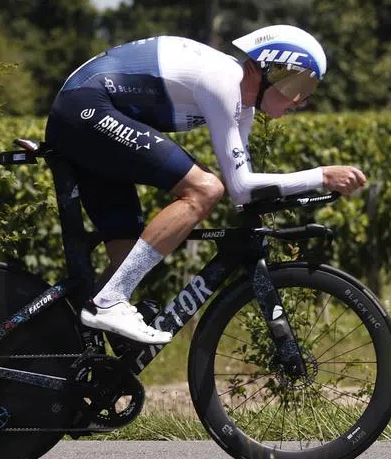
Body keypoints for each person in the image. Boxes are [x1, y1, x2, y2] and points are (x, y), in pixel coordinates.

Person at [43, 24, 368, 344]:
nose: (300, 101)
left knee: (125, 259)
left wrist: (302, 192)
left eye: (309, 90)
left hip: (88, 116)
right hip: (85, 106)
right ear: (268, 71)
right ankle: (109, 302)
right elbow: (238, 187)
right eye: (299, 85)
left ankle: (68, 348)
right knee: (204, 189)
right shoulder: (224, 81)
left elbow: (244, 189)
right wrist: (322, 176)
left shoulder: (243, 107)